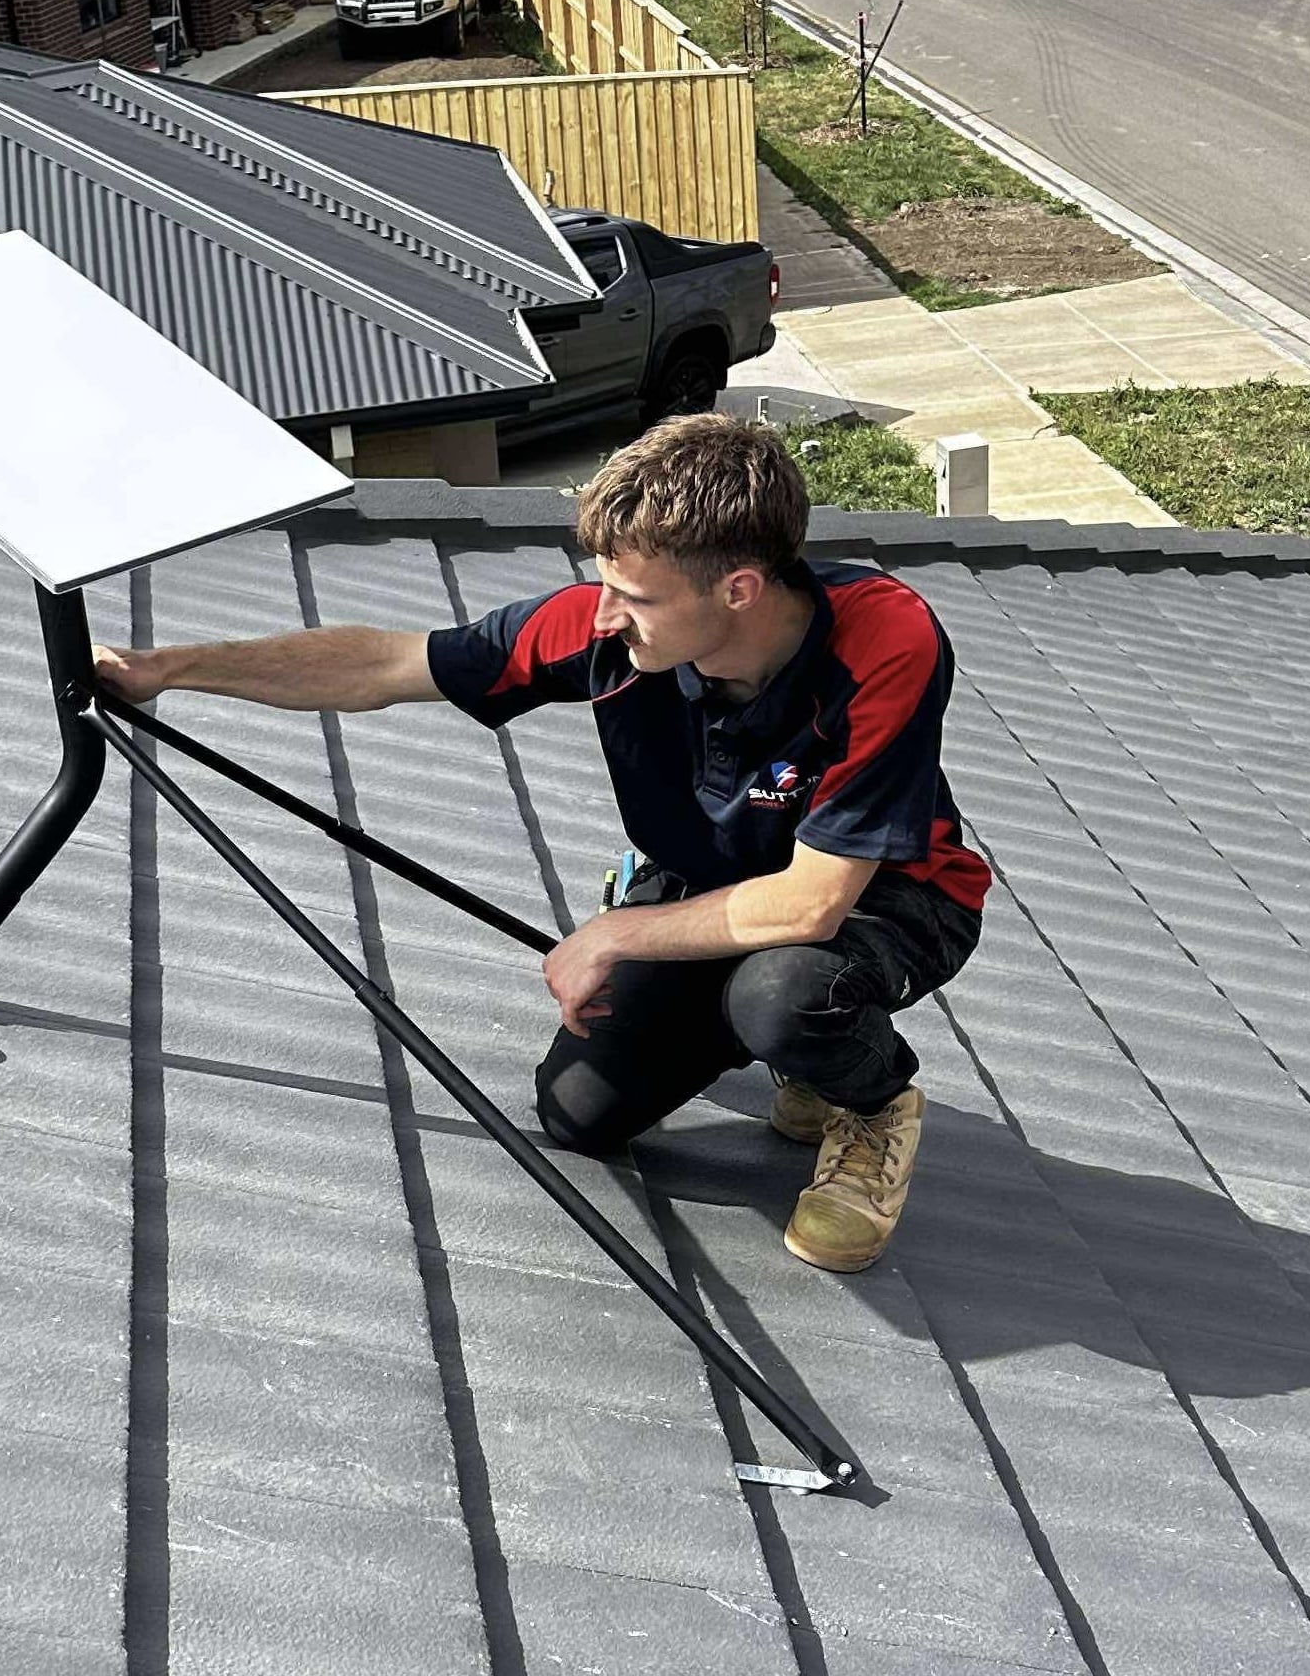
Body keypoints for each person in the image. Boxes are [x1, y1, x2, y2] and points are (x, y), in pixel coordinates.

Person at [93, 414, 989, 1273]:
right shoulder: (603, 628)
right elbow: (385, 663)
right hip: (711, 890)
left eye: (633, 597)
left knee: (785, 992)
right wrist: (171, 669)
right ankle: (800, 1053)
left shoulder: (881, 637)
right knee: (579, 1113)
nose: (602, 615)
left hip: (887, 898)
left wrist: (613, 932)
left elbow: (810, 903)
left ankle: (870, 1102)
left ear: (738, 588)